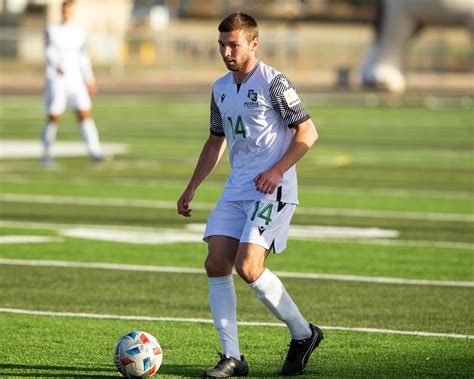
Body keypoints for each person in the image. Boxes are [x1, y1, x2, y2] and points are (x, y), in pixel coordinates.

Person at [177, 12, 322, 378]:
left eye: (233, 45)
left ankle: (303, 335)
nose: (226, 52)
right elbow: (215, 141)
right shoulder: (220, 88)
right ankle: (233, 358)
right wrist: (192, 186)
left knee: (248, 267)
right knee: (215, 263)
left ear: (253, 43)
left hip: (272, 188)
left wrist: (276, 170)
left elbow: (308, 132)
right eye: (222, 45)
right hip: (236, 188)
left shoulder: (274, 82)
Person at [41, 0, 104, 166]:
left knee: (84, 114)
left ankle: (95, 152)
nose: (66, 13)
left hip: (76, 80)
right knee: (54, 117)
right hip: (58, 80)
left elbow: (83, 57)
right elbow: (49, 51)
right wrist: (57, 66)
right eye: (64, 10)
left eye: (69, 10)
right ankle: (46, 155)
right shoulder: (51, 30)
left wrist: (89, 79)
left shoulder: (79, 31)